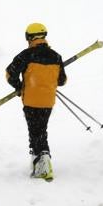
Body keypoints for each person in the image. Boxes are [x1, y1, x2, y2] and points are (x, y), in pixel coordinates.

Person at [4, 22, 67, 180]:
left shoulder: (25, 55)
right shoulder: (56, 57)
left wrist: (19, 87)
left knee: (35, 132)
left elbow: (9, 73)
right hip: (48, 101)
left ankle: (43, 164)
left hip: (31, 101)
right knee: (41, 130)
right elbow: (62, 81)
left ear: (29, 38)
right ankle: (38, 161)